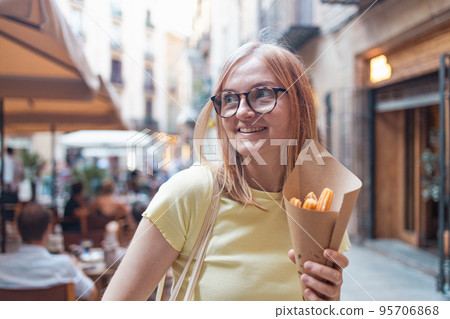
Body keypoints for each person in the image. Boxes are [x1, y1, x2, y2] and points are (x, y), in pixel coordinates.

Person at [102, 42, 350, 301]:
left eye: (262, 93)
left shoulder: (323, 203)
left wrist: (327, 304)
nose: (242, 111)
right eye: (229, 98)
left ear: (299, 105)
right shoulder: (191, 192)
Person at [0, 203, 98, 300]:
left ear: (17, 230)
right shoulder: (64, 264)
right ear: (48, 229)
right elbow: (91, 294)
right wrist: (75, 266)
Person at [2, 147, 24, 221]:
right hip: (10, 188)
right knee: (10, 208)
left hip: (8, 188)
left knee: (8, 208)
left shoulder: (6, 161)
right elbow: (21, 174)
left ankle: (7, 221)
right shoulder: (16, 161)